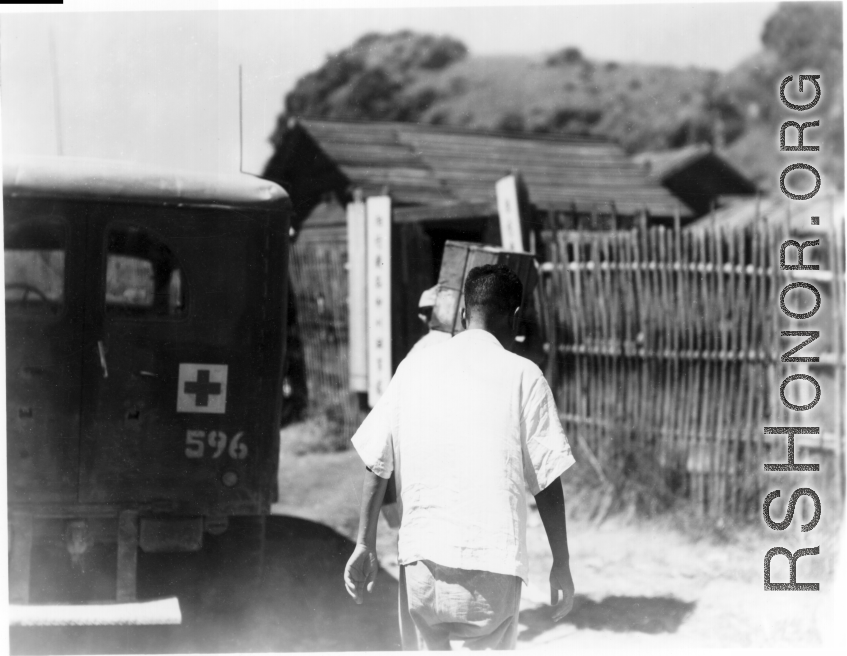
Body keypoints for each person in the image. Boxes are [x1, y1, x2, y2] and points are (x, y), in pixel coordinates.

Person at [344, 264, 576, 650]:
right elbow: (548, 481)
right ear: (516, 318)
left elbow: (377, 462)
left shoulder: (413, 367)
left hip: (421, 566)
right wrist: (562, 564)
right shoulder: (524, 375)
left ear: (464, 314)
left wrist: (364, 543)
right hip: (492, 568)